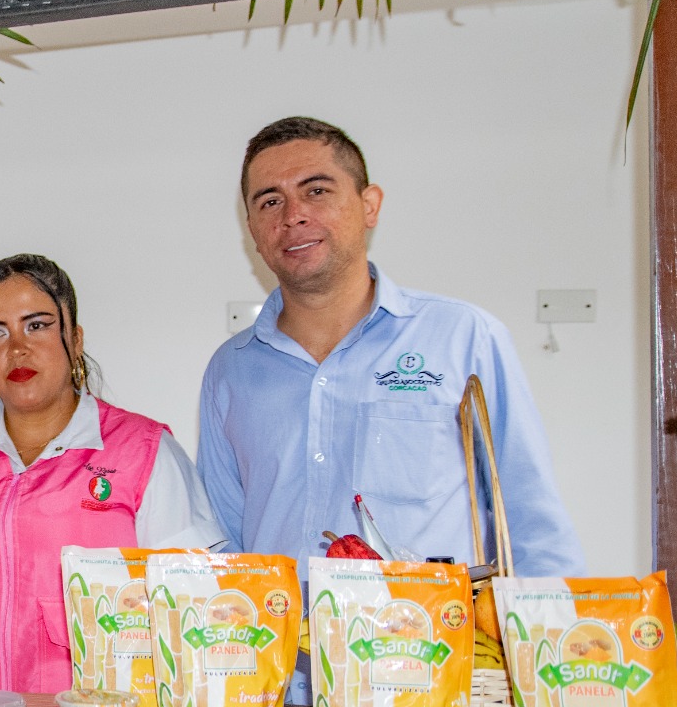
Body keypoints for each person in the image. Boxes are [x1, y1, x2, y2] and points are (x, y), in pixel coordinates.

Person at [198, 116, 583, 573]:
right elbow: (222, 541)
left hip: (431, 621)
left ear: (370, 206)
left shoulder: (463, 338)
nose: (293, 215)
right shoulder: (231, 370)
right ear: (252, 231)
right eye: (270, 201)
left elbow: (531, 521)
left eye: (316, 190)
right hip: (278, 622)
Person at [0, 255, 223, 693]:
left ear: (75, 339)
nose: (17, 348)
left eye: (36, 325)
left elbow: (194, 607)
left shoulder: (143, 451)